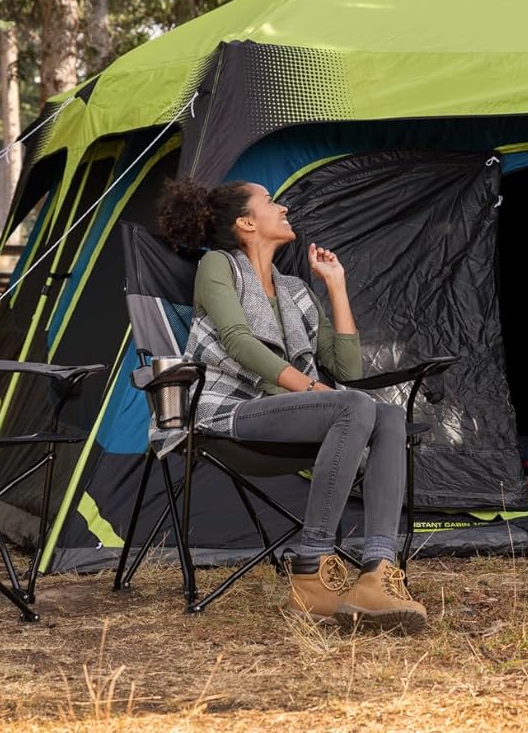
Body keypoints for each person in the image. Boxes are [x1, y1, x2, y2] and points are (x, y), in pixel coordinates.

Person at [158, 177, 426, 633]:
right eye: (269, 201)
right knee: (354, 407)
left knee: (388, 415)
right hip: (228, 411)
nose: (282, 208)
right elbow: (238, 341)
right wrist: (310, 388)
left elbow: (347, 367)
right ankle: (311, 566)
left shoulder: (294, 290)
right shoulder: (219, 267)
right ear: (246, 222)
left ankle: (377, 573)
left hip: (288, 414)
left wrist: (336, 287)